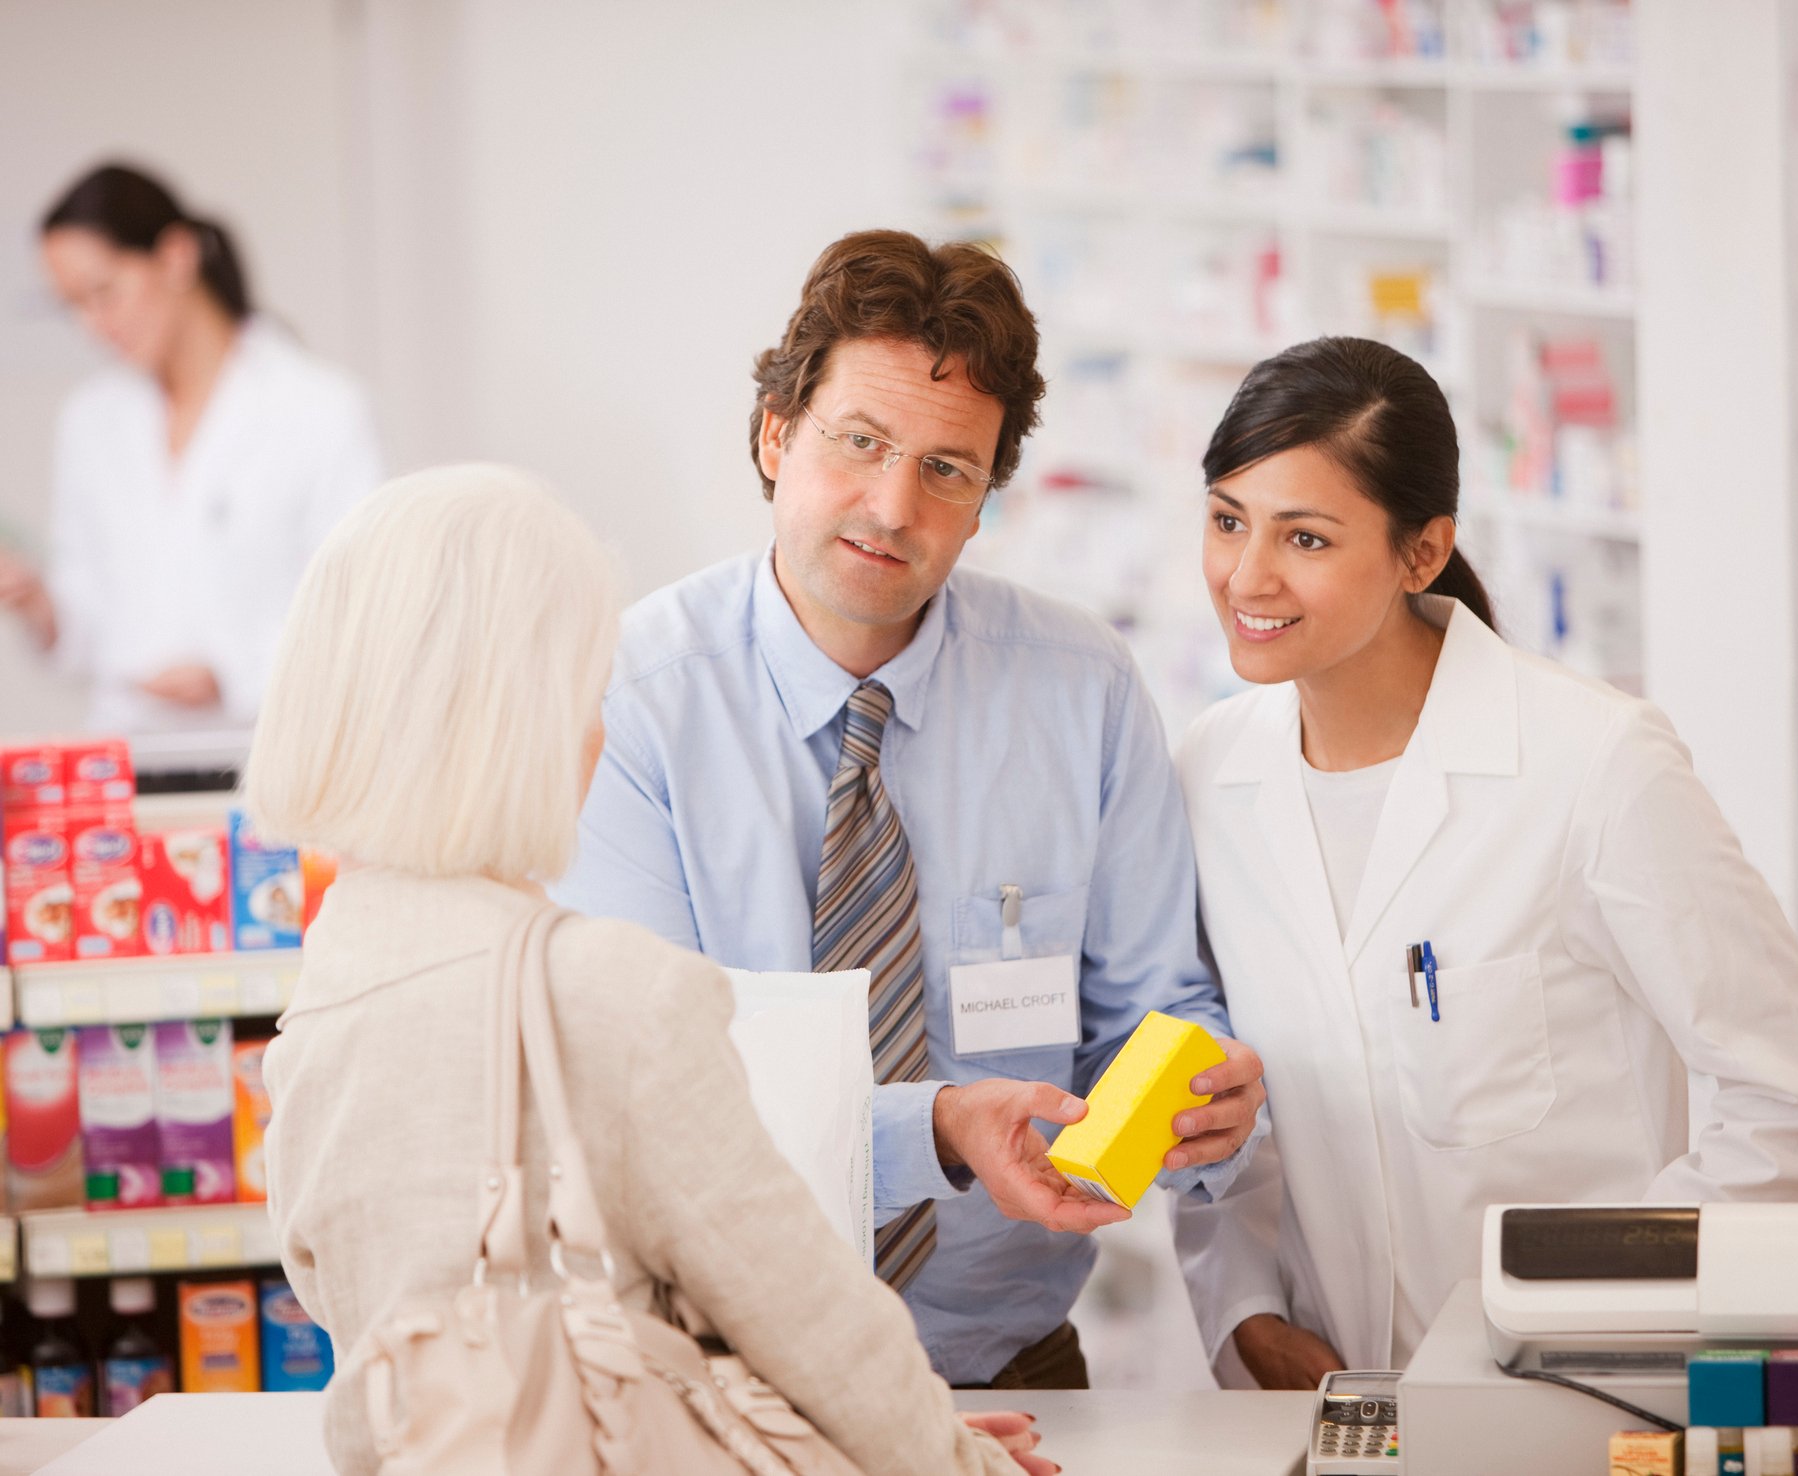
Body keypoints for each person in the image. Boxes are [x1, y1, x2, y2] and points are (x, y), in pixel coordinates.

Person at [553, 229, 1268, 1390]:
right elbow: (653, 1099)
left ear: (987, 499)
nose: (892, 506)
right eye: (860, 443)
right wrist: (933, 1132)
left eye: (948, 469)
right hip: (721, 1384)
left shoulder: (1080, 690)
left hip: (1009, 1371)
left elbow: (1149, 1012)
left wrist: (1196, 1112)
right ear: (777, 434)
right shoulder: (629, 704)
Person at [248, 466, 1050, 1476]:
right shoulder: (605, 994)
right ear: (520, 720)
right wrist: (949, 1459)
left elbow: (350, 1292)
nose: (598, 730)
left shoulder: (328, 990)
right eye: (586, 693)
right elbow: (807, 1316)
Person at [1171, 337, 1798, 1388]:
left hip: (1574, 1400)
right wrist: (1244, 1315)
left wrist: (1605, 1320)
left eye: (1306, 538)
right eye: (1229, 520)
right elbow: (1219, 1106)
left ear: (1422, 553)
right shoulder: (1204, 774)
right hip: (1326, 1407)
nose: (1248, 576)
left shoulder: (1595, 763)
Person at [0, 163, 381, 734]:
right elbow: (91, 628)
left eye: (102, 293)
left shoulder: (319, 408)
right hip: (128, 749)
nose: (91, 326)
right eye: (72, 305)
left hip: (268, 751)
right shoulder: (90, 420)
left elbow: (363, 614)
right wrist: (40, 604)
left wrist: (233, 676)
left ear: (176, 257)